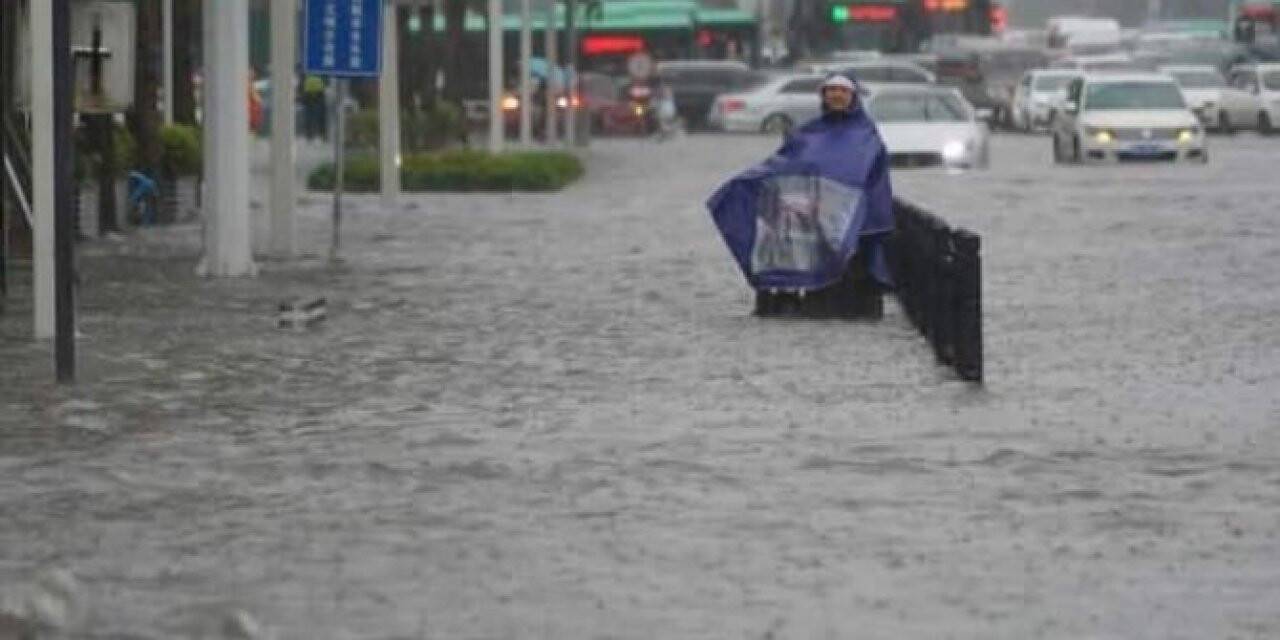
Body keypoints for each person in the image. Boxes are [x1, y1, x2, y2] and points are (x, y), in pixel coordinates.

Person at [706, 73, 895, 319]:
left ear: (853, 97)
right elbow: (784, 164)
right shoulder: (807, 134)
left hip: (850, 224)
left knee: (849, 272)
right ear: (823, 96)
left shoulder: (867, 136)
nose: (837, 95)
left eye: (843, 91)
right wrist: (748, 181)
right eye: (831, 90)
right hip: (809, 221)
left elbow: (869, 176)